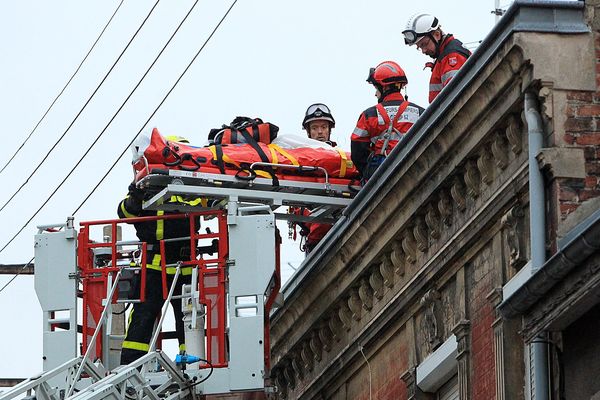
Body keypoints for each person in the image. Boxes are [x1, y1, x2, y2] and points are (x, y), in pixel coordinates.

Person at [119, 136, 205, 365]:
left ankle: (190, 361)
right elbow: (124, 214)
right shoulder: (142, 187)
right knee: (143, 316)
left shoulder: (192, 184)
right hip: (152, 262)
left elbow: (203, 207)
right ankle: (129, 364)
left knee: (186, 315)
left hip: (183, 261)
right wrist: (137, 192)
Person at [350, 61, 424, 181]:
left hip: (380, 170)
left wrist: (367, 174)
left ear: (384, 87)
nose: (375, 94)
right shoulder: (420, 112)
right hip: (414, 167)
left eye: (376, 88)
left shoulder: (369, 115)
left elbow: (358, 151)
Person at [402, 14, 470, 103]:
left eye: (424, 44)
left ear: (437, 35)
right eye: (419, 47)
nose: (423, 50)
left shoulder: (452, 57)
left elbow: (455, 98)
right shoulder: (444, 57)